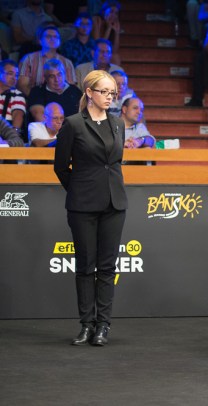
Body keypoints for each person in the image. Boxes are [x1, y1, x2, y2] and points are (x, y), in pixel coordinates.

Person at [54, 70, 127, 347]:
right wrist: (78, 190)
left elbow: (114, 162)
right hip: (83, 204)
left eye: (113, 93)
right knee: (85, 266)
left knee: (107, 267)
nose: (109, 97)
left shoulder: (118, 123)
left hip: (114, 202)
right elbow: (61, 167)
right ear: (89, 92)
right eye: (104, 92)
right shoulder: (73, 124)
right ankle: (86, 324)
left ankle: (103, 325)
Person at [17, 25, 77, 96]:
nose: (52, 39)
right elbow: (22, 85)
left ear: (59, 42)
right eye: (48, 36)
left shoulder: (67, 63)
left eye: (55, 37)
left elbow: (71, 88)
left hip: (61, 100)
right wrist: (36, 99)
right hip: (34, 98)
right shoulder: (28, 59)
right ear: (40, 41)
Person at [28, 59, 82, 123]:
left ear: (64, 74)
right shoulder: (37, 92)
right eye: (52, 76)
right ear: (45, 78)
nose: (56, 79)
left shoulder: (75, 91)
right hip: (48, 128)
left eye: (59, 75)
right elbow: (39, 116)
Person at [0, 60, 26, 138]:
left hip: (5, 135)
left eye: (16, 75)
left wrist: (12, 137)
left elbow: (18, 115)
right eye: (10, 74)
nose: (14, 78)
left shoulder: (17, 94)